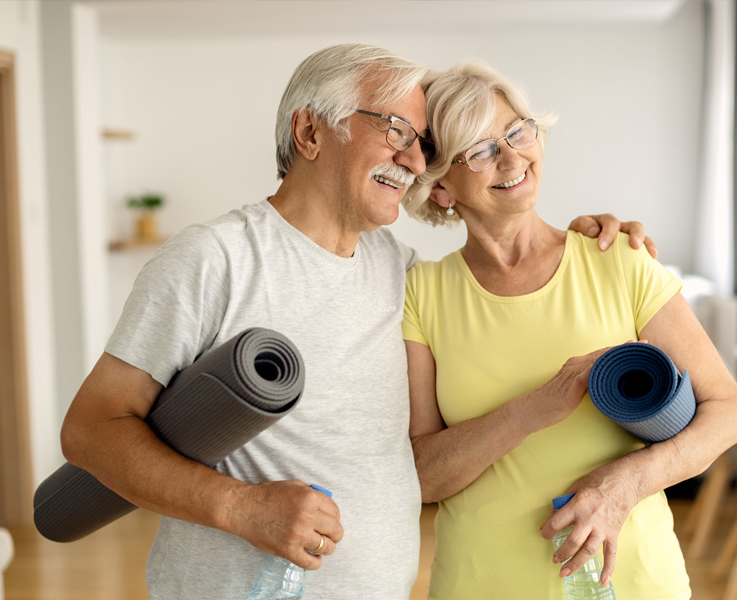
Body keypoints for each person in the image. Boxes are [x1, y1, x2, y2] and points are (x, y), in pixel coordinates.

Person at [58, 44, 651, 600]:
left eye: (421, 142)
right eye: (394, 130)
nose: (415, 160)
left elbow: (501, 288)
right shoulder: (215, 260)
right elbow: (91, 429)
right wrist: (239, 507)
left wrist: (580, 240)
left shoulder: (402, 274)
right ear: (311, 131)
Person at [400, 62, 737, 599]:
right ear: (442, 185)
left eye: (517, 131)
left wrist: (624, 484)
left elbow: (729, 411)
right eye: (480, 148)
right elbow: (423, 476)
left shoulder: (619, 259)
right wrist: (528, 411)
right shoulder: (421, 295)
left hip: (633, 580)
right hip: (484, 584)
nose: (514, 158)